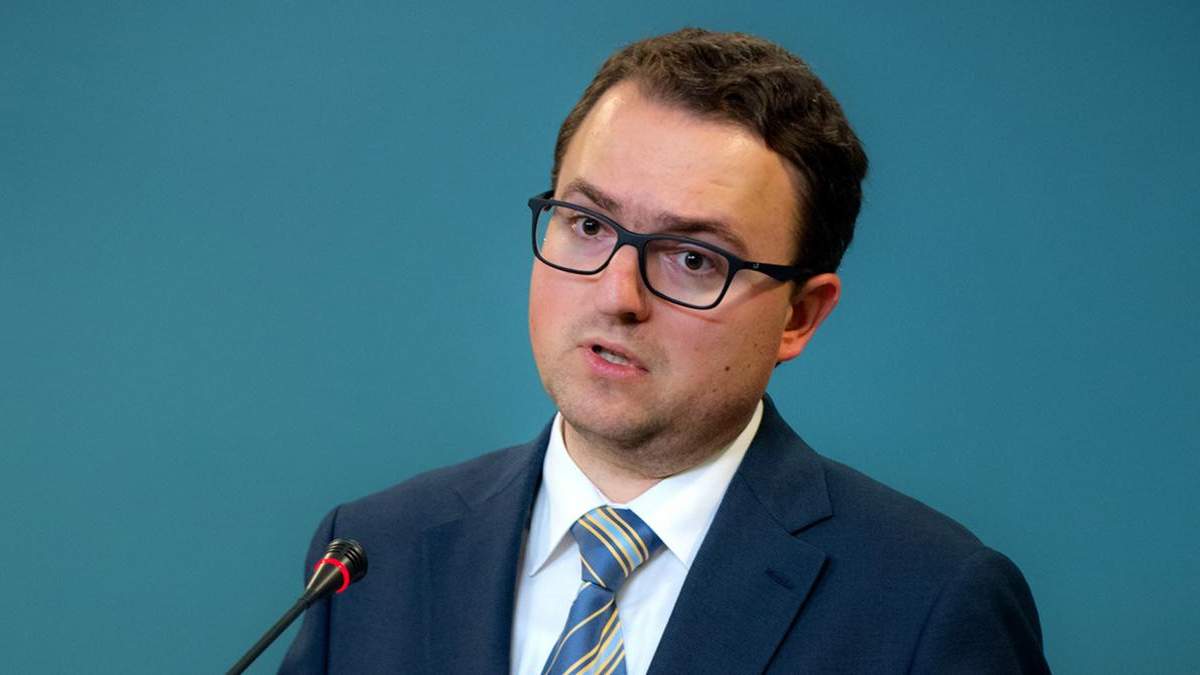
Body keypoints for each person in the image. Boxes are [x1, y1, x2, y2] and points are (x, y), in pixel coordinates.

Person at [280, 28, 1050, 674]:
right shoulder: (372, 554)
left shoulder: (931, 606)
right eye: (587, 224)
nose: (618, 293)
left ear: (800, 316)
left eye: (693, 259)